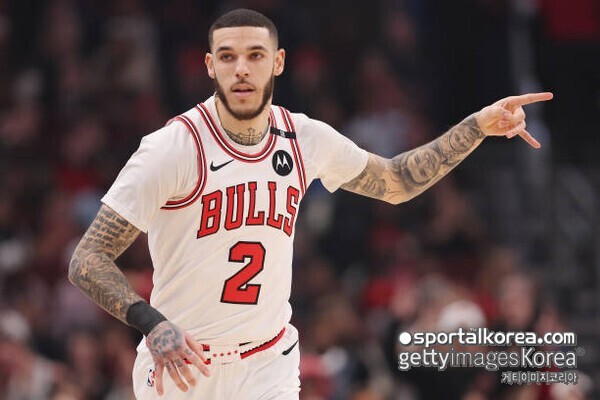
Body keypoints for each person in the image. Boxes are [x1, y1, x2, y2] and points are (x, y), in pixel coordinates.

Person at [68, 8, 553, 400]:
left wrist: (476, 127)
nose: (242, 69)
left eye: (255, 55)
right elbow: (87, 258)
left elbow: (397, 181)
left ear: (278, 62)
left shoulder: (303, 137)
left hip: (267, 363)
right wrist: (151, 323)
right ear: (210, 65)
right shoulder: (172, 148)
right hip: (185, 365)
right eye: (228, 56)